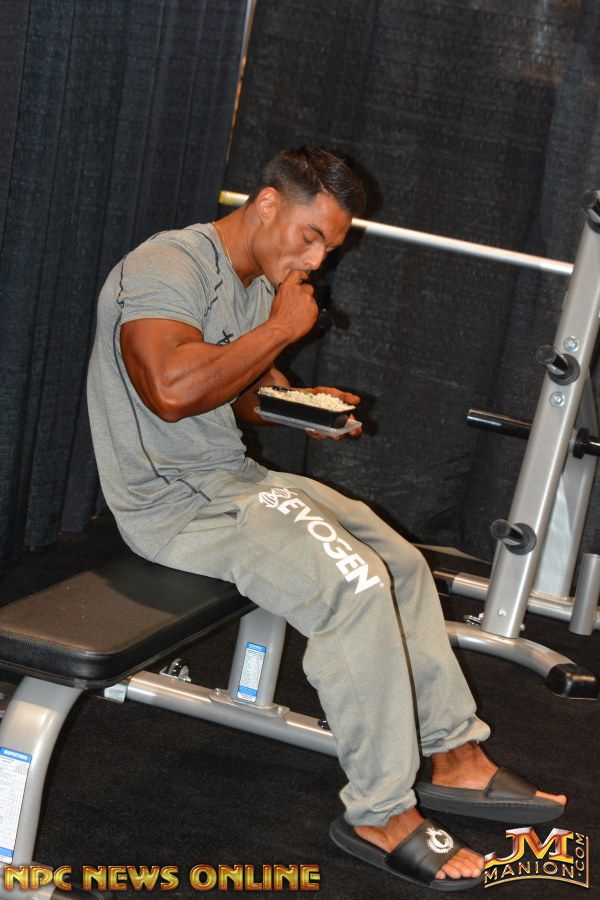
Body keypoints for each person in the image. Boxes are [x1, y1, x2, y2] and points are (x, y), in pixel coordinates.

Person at [87, 146, 566, 891]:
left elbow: (240, 389)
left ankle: (453, 752)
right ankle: (380, 811)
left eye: (329, 248)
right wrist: (282, 329)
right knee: (356, 584)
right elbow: (171, 391)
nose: (315, 259)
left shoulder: (254, 282)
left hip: (232, 481)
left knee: (401, 565)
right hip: (173, 503)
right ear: (267, 203)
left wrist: (299, 405)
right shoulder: (167, 265)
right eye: (310, 237)